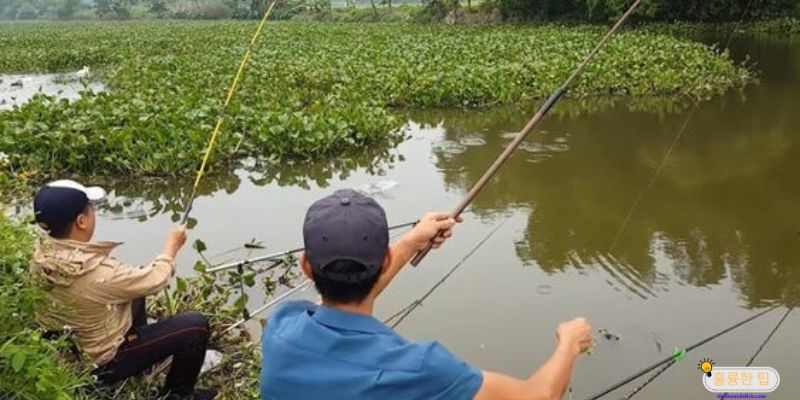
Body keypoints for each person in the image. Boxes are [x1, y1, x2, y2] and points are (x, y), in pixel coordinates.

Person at [260, 189, 593, 400]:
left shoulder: (281, 328)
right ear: (385, 259)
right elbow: (537, 396)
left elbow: (341, 301)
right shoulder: (421, 370)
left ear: (306, 266)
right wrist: (570, 343)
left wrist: (411, 242)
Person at [30, 180, 217, 400]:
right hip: (102, 364)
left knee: (135, 292)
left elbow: (134, 285)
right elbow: (156, 279)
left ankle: (143, 365)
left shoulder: (39, 254)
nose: (93, 213)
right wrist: (171, 247)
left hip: (68, 351)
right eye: (91, 209)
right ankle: (178, 395)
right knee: (196, 326)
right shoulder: (100, 274)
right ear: (81, 221)